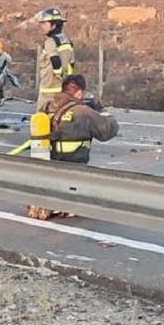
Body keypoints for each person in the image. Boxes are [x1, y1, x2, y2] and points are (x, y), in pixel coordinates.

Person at [28, 74, 118, 220]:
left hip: (51, 166)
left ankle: (49, 202)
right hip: (75, 169)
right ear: (79, 92)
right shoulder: (82, 111)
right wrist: (101, 110)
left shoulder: (47, 106)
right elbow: (109, 130)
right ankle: (68, 205)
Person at [34, 7, 75, 109]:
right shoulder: (66, 40)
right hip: (63, 87)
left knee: (42, 116)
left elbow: (55, 59)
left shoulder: (50, 42)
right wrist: (66, 79)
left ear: (54, 25)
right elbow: (71, 64)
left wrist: (58, 74)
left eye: (45, 24)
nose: (42, 26)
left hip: (49, 87)